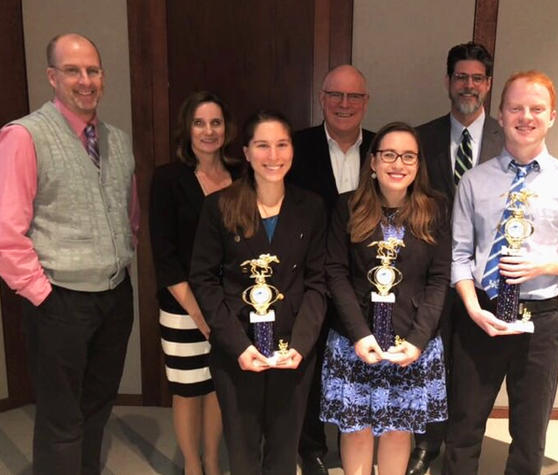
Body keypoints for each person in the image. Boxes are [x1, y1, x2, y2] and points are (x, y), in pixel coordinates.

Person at [445, 71, 558, 474]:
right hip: (481, 316)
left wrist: (547, 265)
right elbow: (460, 255)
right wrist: (472, 308)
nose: (525, 116)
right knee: (463, 425)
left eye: (537, 108)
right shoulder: (474, 180)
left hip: (542, 320)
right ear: (499, 114)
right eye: (516, 107)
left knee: (531, 433)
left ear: (552, 116)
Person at [0, 33, 138, 474]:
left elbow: (128, 212)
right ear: (52, 77)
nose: (85, 80)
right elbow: (6, 230)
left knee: (97, 406)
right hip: (58, 299)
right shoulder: (25, 136)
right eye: (73, 70)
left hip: (114, 297)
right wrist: (41, 294)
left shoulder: (115, 140)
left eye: (93, 70)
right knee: (61, 419)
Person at [189, 110, 327, 475]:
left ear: (292, 151)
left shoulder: (310, 208)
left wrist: (300, 344)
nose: (273, 155)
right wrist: (238, 345)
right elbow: (203, 280)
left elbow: (317, 283)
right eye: (262, 145)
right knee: (243, 453)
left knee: (284, 452)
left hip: (292, 351)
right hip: (237, 348)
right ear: (246, 153)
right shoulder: (220, 206)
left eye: (282, 144)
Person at [321, 122, 450, 475]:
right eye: (389, 155)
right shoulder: (347, 207)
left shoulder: (435, 210)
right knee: (357, 429)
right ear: (373, 163)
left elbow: (439, 280)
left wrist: (418, 341)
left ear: (418, 165)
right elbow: (335, 273)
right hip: (355, 340)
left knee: (398, 429)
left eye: (408, 156)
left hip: (409, 343)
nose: (398, 164)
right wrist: (359, 334)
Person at [408, 41, 504, 475]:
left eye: (477, 78)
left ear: (488, 84)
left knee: (474, 368)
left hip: (487, 276)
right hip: (431, 273)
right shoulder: (421, 137)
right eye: (461, 77)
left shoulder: (509, 139)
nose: (469, 85)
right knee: (431, 358)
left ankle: (464, 448)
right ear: (448, 82)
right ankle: (426, 443)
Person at [287, 64, 374, 475]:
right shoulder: (295, 147)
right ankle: (311, 447)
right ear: (322, 99)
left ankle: (357, 443)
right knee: (311, 363)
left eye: (354, 97)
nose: (344, 104)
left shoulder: (381, 149)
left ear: (365, 103)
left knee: (361, 363)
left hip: (369, 284)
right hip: (310, 280)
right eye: (336, 96)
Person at [150, 91, 240, 475]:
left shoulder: (242, 176)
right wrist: (199, 313)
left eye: (215, 122)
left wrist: (221, 312)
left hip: (231, 305)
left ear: (226, 128)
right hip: (182, 306)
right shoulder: (169, 178)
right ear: (187, 129)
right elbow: (164, 256)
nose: (208, 131)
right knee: (188, 390)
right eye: (199, 123)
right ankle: (191, 465)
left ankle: (213, 463)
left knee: (220, 387)